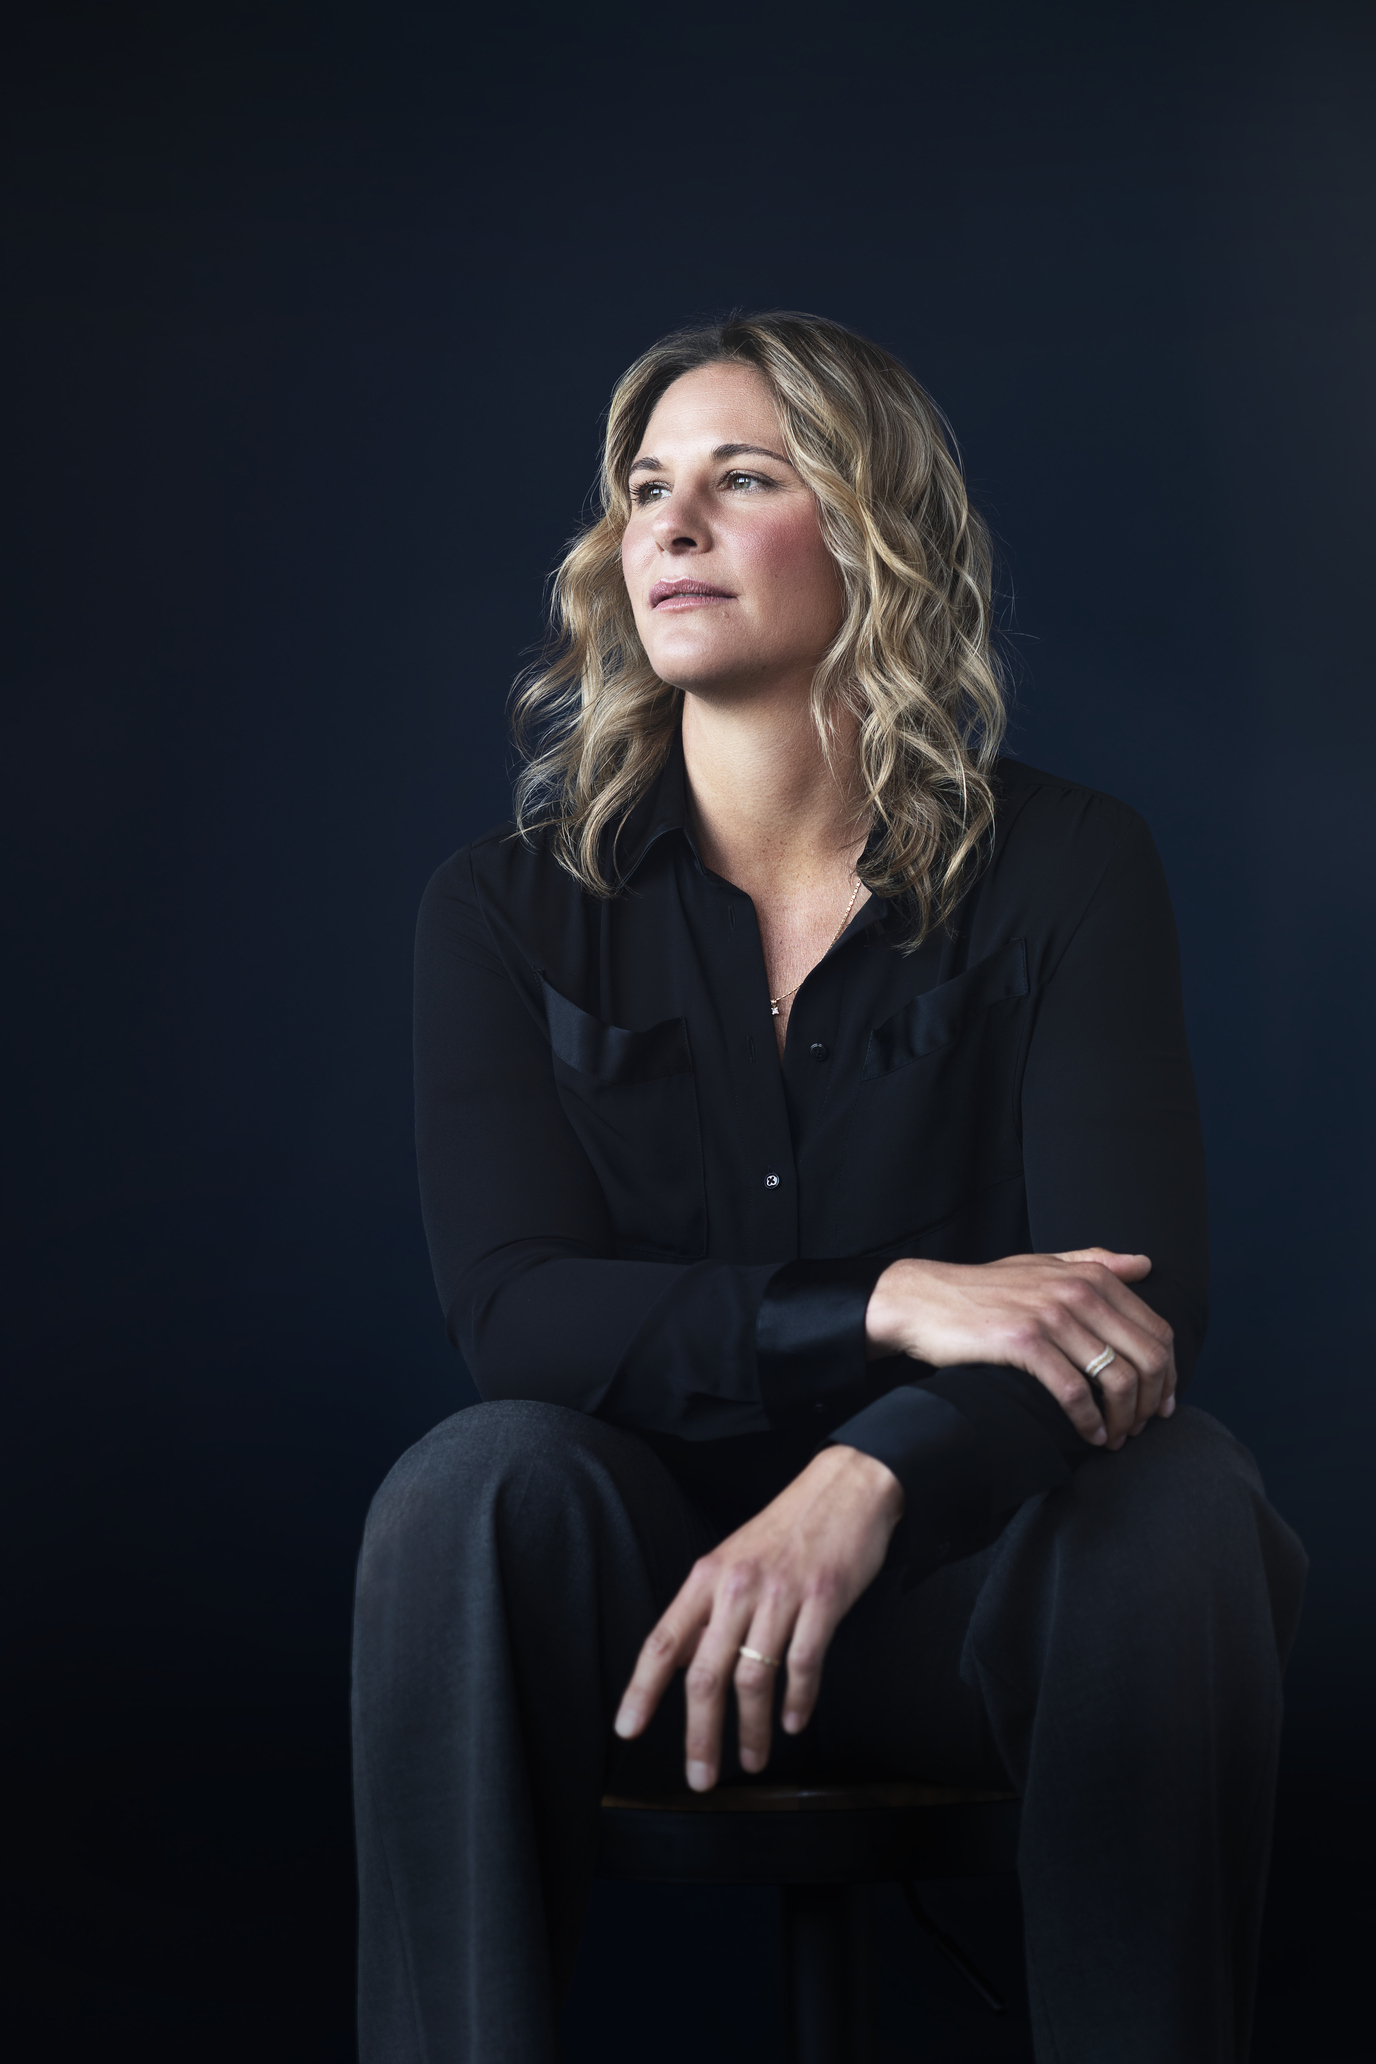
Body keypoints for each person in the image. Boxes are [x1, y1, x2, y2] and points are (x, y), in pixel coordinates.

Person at [351, 312, 1306, 2063]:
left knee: (1181, 1499)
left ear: (872, 533)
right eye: (646, 489)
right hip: (650, 1631)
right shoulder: (501, 908)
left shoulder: (1072, 864)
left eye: (742, 479)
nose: (670, 525)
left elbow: (1133, 1317)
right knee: (466, 1487)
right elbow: (518, 1315)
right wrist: (889, 1303)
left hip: (965, 1612)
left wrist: (871, 1474)